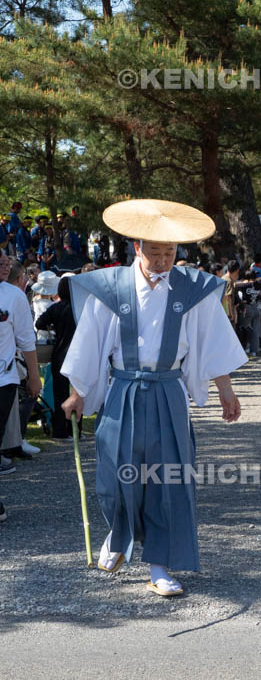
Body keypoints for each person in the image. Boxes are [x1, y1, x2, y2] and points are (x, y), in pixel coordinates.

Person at [60, 199, 246, 597]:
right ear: (136, 247)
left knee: (168, 478)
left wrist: (226, 391)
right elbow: (89, 344)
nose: (163, 259)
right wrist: (78, 393)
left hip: (168, 390)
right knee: (115, 472)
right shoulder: (110, 288)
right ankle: (118, 532)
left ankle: (159, 562)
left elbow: (211, 343)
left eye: (170, 251)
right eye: (155, 251)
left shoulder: (191, 289)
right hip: (122, 389)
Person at [0, 249, 43, 519]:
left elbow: (27, 340)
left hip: (3, 380)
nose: (4, 266)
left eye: (5, 261)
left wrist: (35, 377)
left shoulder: (13, 296)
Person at [35, 274, 76, 439]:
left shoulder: (55, 308)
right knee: (77, 393)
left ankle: (60, 430)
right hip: (77, 353)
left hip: (59, 352)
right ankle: (75, 429)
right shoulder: (79, 308)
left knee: (60, 394)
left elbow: (39, 323)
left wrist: (52, 327)